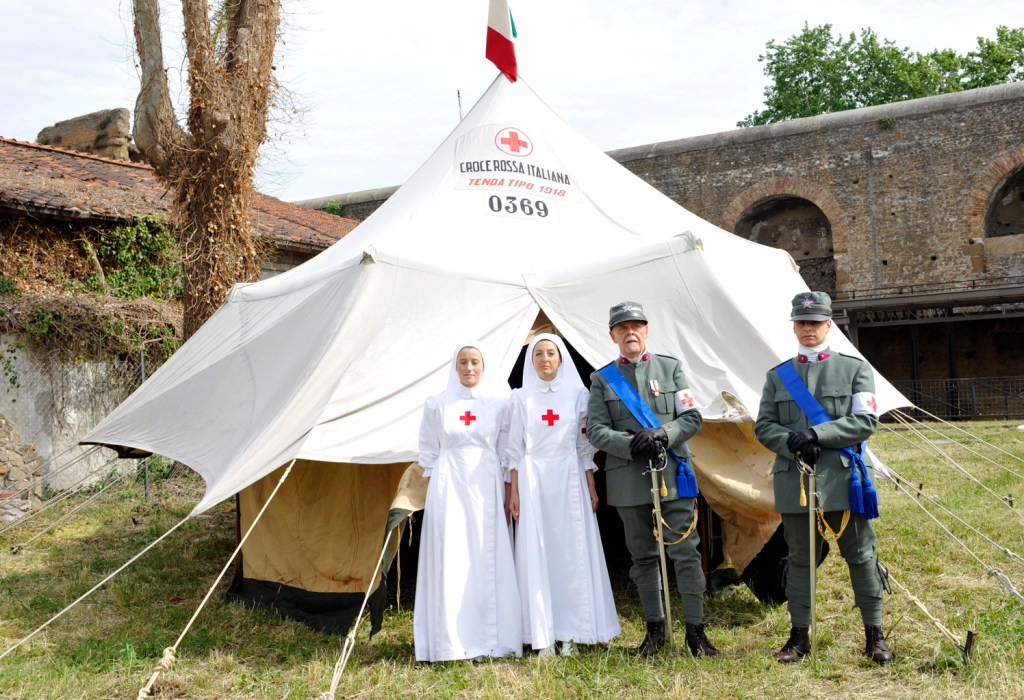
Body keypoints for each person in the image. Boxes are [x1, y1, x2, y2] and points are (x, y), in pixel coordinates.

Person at [754, 291, 893, 665]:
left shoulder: (854, 369)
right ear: (794, 326)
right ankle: (799, 638)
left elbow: (866, 421)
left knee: (862, 556)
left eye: (815, 322)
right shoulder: (778, 376)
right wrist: (793, 443)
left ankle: (874, 636)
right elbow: (763, 426)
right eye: (801, 322)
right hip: (796, 480)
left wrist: (817, 435)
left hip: (843, 480)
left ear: (828, 324)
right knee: (799, 559)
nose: (808, 328)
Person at [587, 301, 719, 658]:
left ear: (646, 330)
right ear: (612, 335)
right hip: (628, 480)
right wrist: (632, 444)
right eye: (622, 327)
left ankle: (696, 632)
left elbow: (691, 417)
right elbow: (596, 431)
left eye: (636, 326)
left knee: (686, 553)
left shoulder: (671, 369)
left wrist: (662, 434)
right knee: (642, 558)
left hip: (673, 473)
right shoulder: (601, 379)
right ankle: (655, 632)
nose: (630, 332)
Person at [506, 333, 621, 656]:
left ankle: (571, 631)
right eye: (539, 353)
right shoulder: (520, 398)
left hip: (569, 478)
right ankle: (543, 634)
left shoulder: (577, 395)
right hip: (532, 481)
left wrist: (591, 484)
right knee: (537, 553)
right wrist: (513, 491)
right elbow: (514, 450)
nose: (545, 359)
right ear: (531, 361)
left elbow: (584, 445)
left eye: (551, 353)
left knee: (570, 554)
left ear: (560, 359)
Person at [413, 342, 522, 662]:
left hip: (486, 488)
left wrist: (507, 492)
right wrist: (435, 498)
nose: (469, 368)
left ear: (483, 367)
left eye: (475, 362)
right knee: (453, 557)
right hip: (449, 488)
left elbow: (505, 452)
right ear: (455, 366)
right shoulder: (437, 405)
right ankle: (451, 641)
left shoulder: (498, 404)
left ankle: (491, 640)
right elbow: (429, 454)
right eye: (463, 362)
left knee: (484, 556)